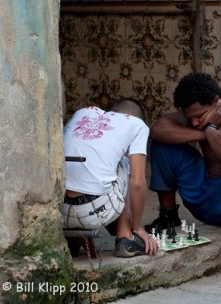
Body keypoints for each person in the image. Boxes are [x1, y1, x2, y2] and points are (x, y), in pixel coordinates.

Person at [145, 73, 221, 280]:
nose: (194, 122)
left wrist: (211, 127)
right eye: (190, 117)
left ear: (215, 102)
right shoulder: (197, 117)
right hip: (203, 199)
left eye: (199, 116)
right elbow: (158, 130)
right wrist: (204, 132)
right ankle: (168, 216)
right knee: (163, 144)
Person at [61, 97, 158, 257]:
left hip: (60, 211)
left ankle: (71, 239)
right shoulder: (137, 125)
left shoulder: (83, 112)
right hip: (97, 210)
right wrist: (137, 227)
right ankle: (125, 236)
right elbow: (138, 183)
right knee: (125, 161)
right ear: (137, 117)